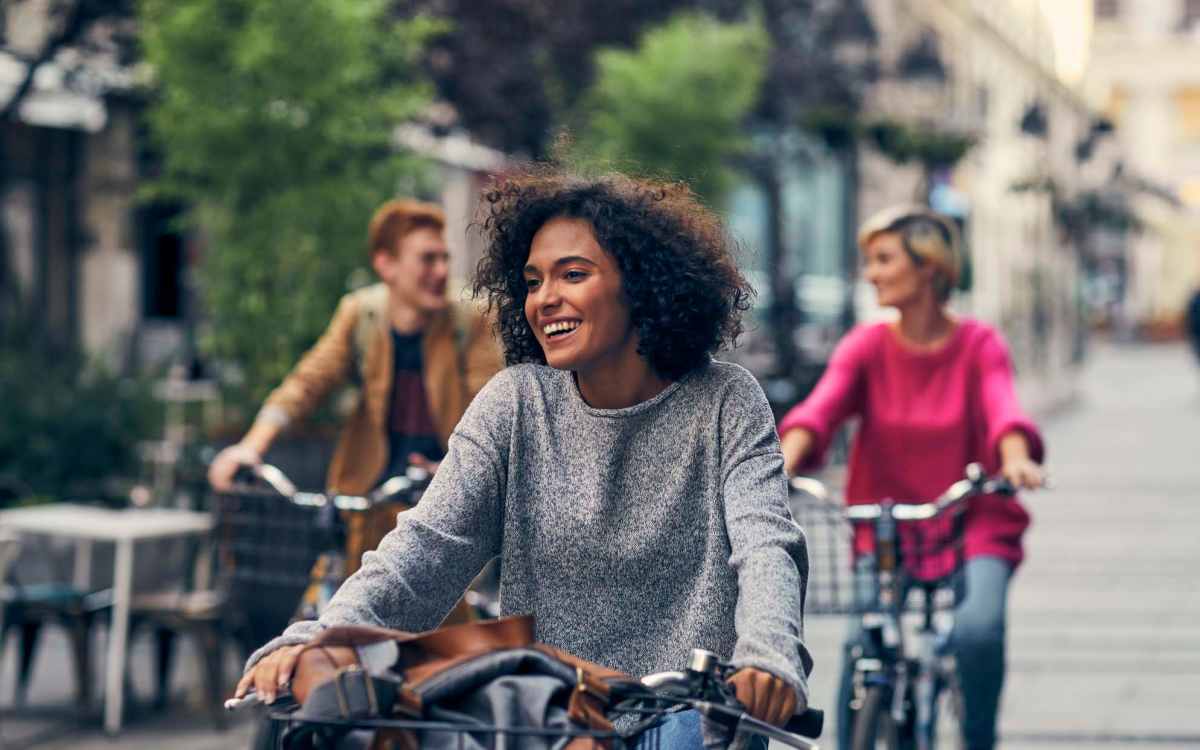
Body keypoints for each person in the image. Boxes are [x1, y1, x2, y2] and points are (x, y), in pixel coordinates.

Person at [234, 171, 813, 747]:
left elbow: (766, 544)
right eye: (533, 281)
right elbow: (424, 551)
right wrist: (315, 638)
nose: (545, 299)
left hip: (689, 717)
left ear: (642, 284)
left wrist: (766, 655)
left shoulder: (726, 401)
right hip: (551, 719)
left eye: (573, 274)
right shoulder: (517, 403)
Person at [777, 205, 1044, 750]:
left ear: (929, 267)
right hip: (889, 528)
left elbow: (1002, 409)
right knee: (861, 646)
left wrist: (1015, 457)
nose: (871, 273)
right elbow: (819, 411)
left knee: (976, 633)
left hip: (972, 520)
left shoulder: (978, 344)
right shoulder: (866, 345)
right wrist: (780, 464)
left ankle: (978, 736)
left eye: (883, 259)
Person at [207, 199, 502, 569]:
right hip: (365, 498)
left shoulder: (467, 318)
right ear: (386, 265)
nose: (442, 271)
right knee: (334, 611)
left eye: (445, 258)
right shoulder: (361, 314)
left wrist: (460, 469)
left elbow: (489, 408)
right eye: (428, 259)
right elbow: (307, 383)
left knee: (434, 622)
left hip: (439, 503)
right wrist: (251, 447)